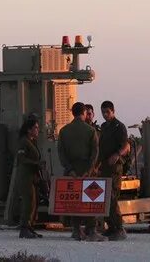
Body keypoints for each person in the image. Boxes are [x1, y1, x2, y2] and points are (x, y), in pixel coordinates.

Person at [57, 102, 104, 242]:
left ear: (72, 113)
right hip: (87, 169)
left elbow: (61, 152)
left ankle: (76, 230)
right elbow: (95, 153)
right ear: (84, 113)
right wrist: (89, 170)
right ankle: (91, 230)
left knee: (74, 201)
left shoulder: (64, 131)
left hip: (71, 169)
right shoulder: (90, 131)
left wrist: (70, 169)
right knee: (91, 200)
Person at [99, 100, 130, 241]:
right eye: (103, 112)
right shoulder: (104, 127)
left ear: (113, 111)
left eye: (107, 112)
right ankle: (111, 227)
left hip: (115, 167)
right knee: (105, 197)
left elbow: (125, 146)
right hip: (104, 166)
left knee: (112, 197)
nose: (105, 115)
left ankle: (119, 228)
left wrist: (117, 154)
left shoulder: (119, 127)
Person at [15, 117, 44, 239]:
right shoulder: (23, 142)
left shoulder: (32, 141)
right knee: (28, 201)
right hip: (25, 175)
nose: (38, 130)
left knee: (34, 202)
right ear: (29, 130)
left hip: (33, 176)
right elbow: (21, 158)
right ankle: (24, 228)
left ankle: (30, 226)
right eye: (35, 128)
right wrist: (35, 163)